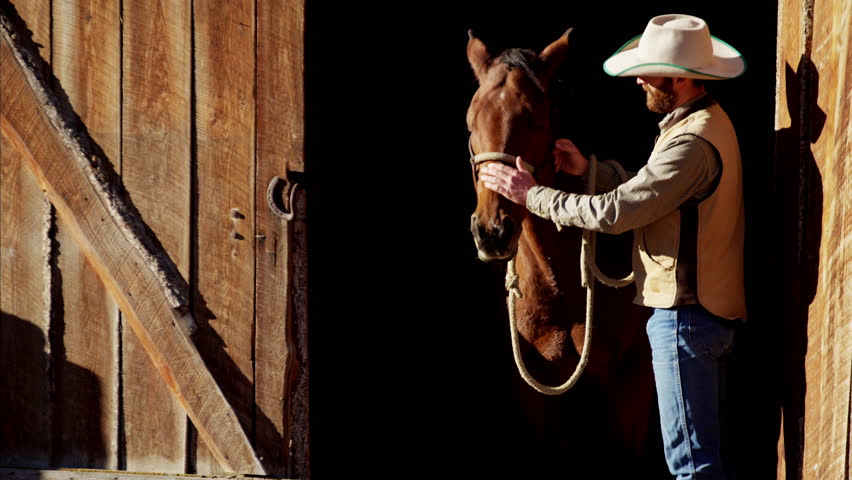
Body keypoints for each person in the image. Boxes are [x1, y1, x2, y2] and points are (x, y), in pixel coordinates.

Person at [479, 14, 746, 480]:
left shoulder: (692, 143)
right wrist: (588, 171)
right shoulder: (695, 124)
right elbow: (655, 193)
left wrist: (530, 195)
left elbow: (618, 213)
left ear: (679, 77)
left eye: (649, 69)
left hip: (683, 316)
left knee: (692, 466)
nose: (639, 78)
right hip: (691, 313)